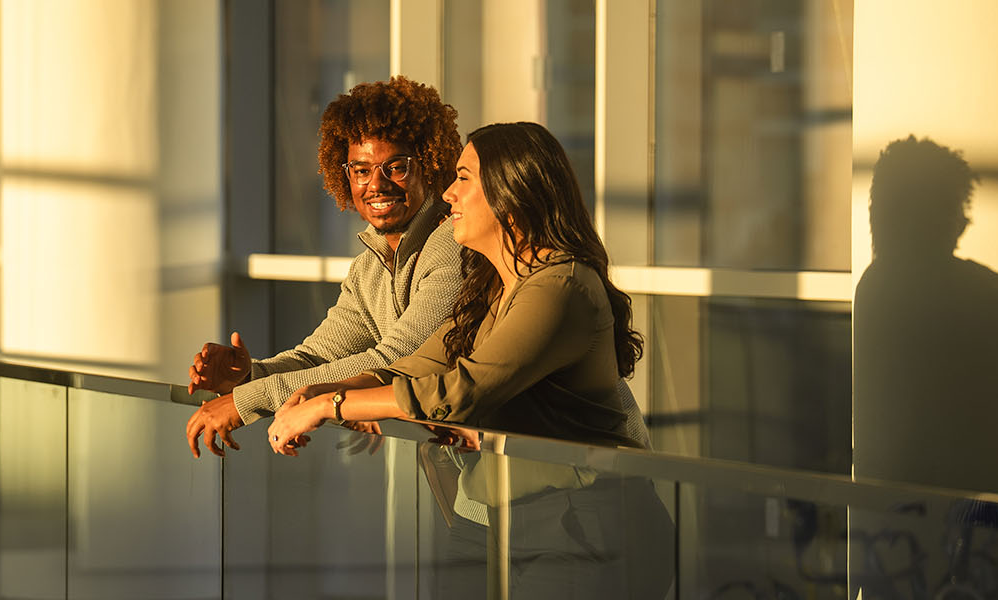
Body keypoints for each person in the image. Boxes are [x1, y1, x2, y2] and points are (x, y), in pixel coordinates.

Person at [263, 121, 667, 599]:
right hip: (497, 513)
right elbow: (416, 365)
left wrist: (327, 409)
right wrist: (327, 389)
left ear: (511, 192)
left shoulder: (561, 286)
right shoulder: (494, 287)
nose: (448, 194)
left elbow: (460, 390)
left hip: (582, 522)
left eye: (463, 178)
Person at [183, 76, 464, 458]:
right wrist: (248, 377)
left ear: (430, 164)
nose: (376, 184)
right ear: (343, 174)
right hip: (453, 473)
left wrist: (246, 401)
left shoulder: (453, 244)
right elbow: (318, 356)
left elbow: (394, 362)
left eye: (395, 166)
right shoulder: (370, 265)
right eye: (361, 170)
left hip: (507, 472)